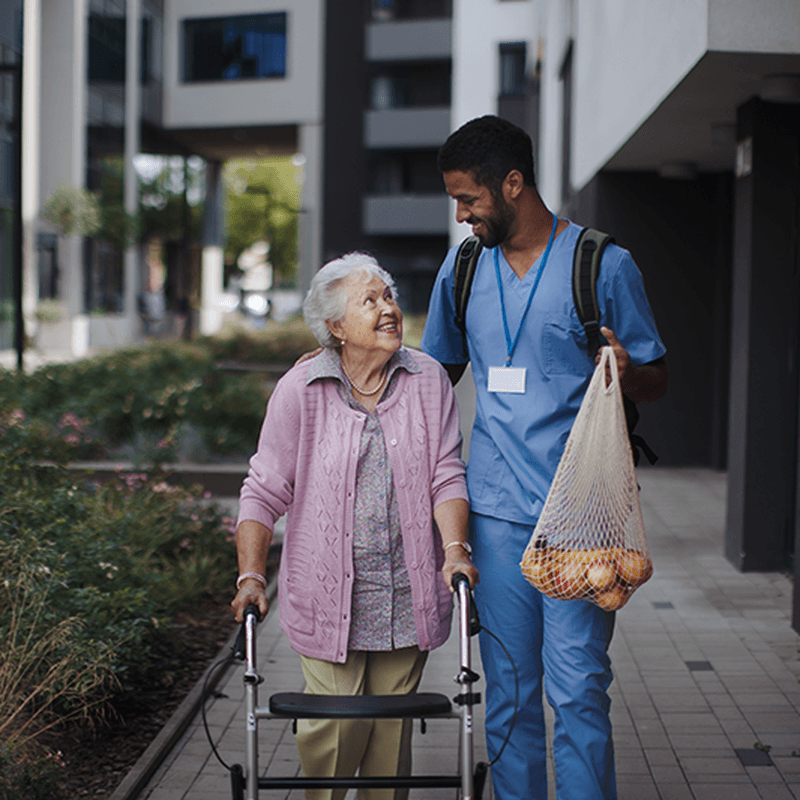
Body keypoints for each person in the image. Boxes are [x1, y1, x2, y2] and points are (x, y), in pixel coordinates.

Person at [420, 115, 668, 800]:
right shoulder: (462, 269)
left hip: (582, 518)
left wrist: (627, 370)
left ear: (512, 183)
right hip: (495, 515)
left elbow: (656, 376)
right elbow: (433, 376)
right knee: (509, 695)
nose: (462, 216)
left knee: (580, 689)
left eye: (468, 199)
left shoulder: (601, 265)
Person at [231, 252, 478, 800]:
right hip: (327, 597)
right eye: (369, 300)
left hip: (406, 595)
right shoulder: (301, 388)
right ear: (336, 327)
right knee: (335, 731)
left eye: (388, 296)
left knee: (390, 740)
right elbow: (264, 489)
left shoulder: (428, 380)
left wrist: (455, 549)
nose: (388, 308)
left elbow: (445, 474)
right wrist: (251, 577)